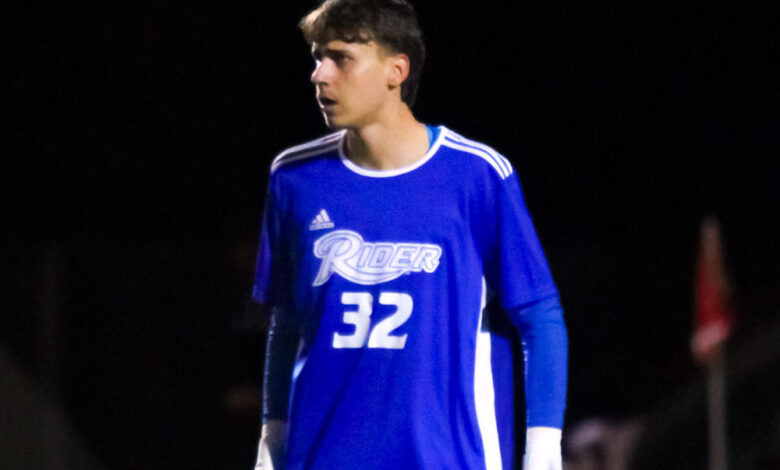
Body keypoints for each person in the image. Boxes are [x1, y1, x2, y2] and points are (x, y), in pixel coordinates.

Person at [252, 1, 568, 469]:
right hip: (320, 457)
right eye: (317, 57)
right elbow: (286, 323)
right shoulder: (293, 177)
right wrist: (272, 437)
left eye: (340, 58)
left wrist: (543, 454)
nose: (319, 75)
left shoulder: (475, 175)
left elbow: (540, 317)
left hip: (449, 457)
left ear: (395, 70)